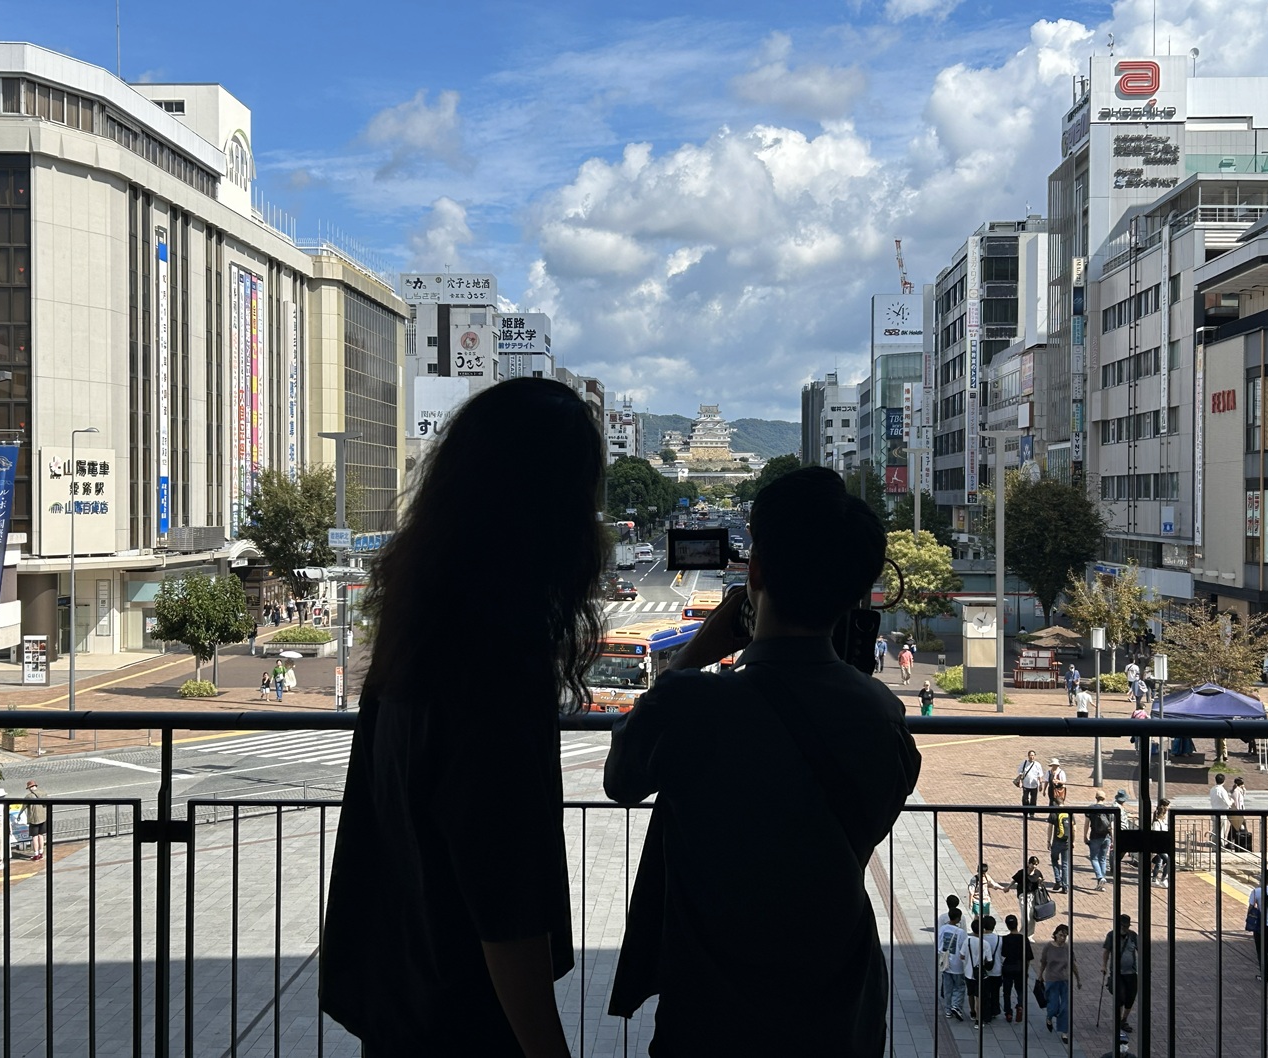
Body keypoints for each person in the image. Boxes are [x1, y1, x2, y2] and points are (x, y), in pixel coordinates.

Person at [320, 377, 609, 1056]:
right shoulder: (496, 664)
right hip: (465, 1018)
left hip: (402, 1003)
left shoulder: (420, 633)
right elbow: (503, 896)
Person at [602, 466, 922, 1057]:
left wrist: (693, 654)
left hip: (710, 1010)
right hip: (840, 1007)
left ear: (754, 573)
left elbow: (620, 780)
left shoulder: (690, 704)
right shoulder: (881, 714)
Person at [1038, 922, 1080, 1043]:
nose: (1063, 938)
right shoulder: (1048, 947)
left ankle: (1064, 1032)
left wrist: (1078, 979)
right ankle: (1049, 1017)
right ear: (1055, 934)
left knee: (1065, 1008)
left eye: (1065, 936)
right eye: (1061, 935)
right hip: (1052, 980)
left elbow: (1073, 964)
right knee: (1053, 1006)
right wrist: (1040, 975)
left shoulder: (1067, 948)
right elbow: (1043, 962)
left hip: (1065, 980)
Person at [1102, 913, 1140, 1036]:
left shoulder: (1133, 936)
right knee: (1120, 997)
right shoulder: (1111, 935)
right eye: (1123, 926)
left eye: (1126, 926)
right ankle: (1118, 1021)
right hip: (1117, 972)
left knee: (1131, 997)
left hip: (1131, 972)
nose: (1125, 928)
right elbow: (1106, 951)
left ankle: (1124, 1020)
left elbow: (1140, 950)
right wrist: (1104, 966)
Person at [1000, 913, 1033, 1024]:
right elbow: (1028, 957)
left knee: (1007, 992)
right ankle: (1020, 1006)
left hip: (1008, 967)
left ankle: (1008, 1012)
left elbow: (1003, 954)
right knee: (1020, 990)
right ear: (1017, 924)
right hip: (1020, 968)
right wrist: (1026, 970)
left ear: (1007, 925)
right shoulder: (1023, 939)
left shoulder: (1005, 939)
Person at [937, 907, 967, 1022]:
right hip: (957, 964)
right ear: (958, 918)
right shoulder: (961, 932)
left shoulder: (943, 928)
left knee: (947, 988)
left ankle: (948, 1010)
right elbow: (963, 948)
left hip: (945, 963)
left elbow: (939, 944)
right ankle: (956, 1005)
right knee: (959, 987)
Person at [1007, 856, 1047, 942]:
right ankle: (1022, 934)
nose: (1034, 866)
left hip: (1033, 896)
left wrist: (1040, 882)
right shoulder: (1022, 872)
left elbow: (1039, 882)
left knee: (1032, 917)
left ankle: (1029, 935)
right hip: (1023, 896)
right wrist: (1008, 887)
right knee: (1026, 916)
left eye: (1036, 864)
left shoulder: (1037, 873)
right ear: (1028, 864)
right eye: (1033, 864)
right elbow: (1014, 880)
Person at [976, 914, 1003, 1025]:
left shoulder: (980, 939)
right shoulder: (1000, 939)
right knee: (995, 992)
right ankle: (994, 1010)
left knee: (985, 993)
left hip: (984, 971)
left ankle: (986, 1014)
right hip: (997, 970)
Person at [1085, 790, 1114, 891]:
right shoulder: (1108, 810)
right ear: (1104, 798)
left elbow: (1087, 824)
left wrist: (1085, 836)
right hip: (1106, 837)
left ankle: (1100, 877)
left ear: (1096, 797)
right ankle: (1102, 883)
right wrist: (1113, 839)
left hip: (1095, 836)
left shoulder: (1091, 809)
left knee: (1094, 858)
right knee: (1103, 859)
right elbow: (1111, 827)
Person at [1048, 806, 1074, 892]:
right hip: (1067, 841)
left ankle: (1058, 880)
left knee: (1054, 860)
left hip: (1056, 841)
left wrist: (1048, 841)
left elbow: (1050, 828)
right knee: (1065, 864)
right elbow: (1074, 828)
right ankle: (1065, 886)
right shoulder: (1069, 812)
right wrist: (1072, 841)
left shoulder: (1054, 813)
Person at [1148, 798, 1171, 888]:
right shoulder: (1157, 822)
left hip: (1162, 845)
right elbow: (1156, 835)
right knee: (1168, 860)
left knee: (1159, 862)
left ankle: (1154, 879)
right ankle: (1163, 878)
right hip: (1158, 846)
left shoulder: (1163, 821)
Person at [24, 780, 47, 861]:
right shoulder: (43, 794)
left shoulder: (28, 796)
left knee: (35, 837)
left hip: (34, 819)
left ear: (30, 788)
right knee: (41, 835)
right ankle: (41, 853)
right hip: (43, 817)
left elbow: (24, 806)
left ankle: (36, 854)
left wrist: (19, 814)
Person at [1209, 773, 1234, 845]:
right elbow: (1228, 803)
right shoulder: (1222, 790)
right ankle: (1221, 845)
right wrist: (1232, 801)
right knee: (1222, 830)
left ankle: (1214, 844)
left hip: (1213, 811)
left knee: (1215, 829)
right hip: (1222, 813)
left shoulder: (1212, 789)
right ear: (1224, 781)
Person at [1228, 776, 1248, 840]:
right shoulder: (1236, 791)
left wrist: (1244, 790)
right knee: (1237, 826)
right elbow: (1236, 802)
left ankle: (1231, 839)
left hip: (1240, 810)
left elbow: (1242, 797)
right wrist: (1238, 812)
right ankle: (1240, 839)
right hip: (1238, 811)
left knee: (1235, 826)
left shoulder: (1240, 790)